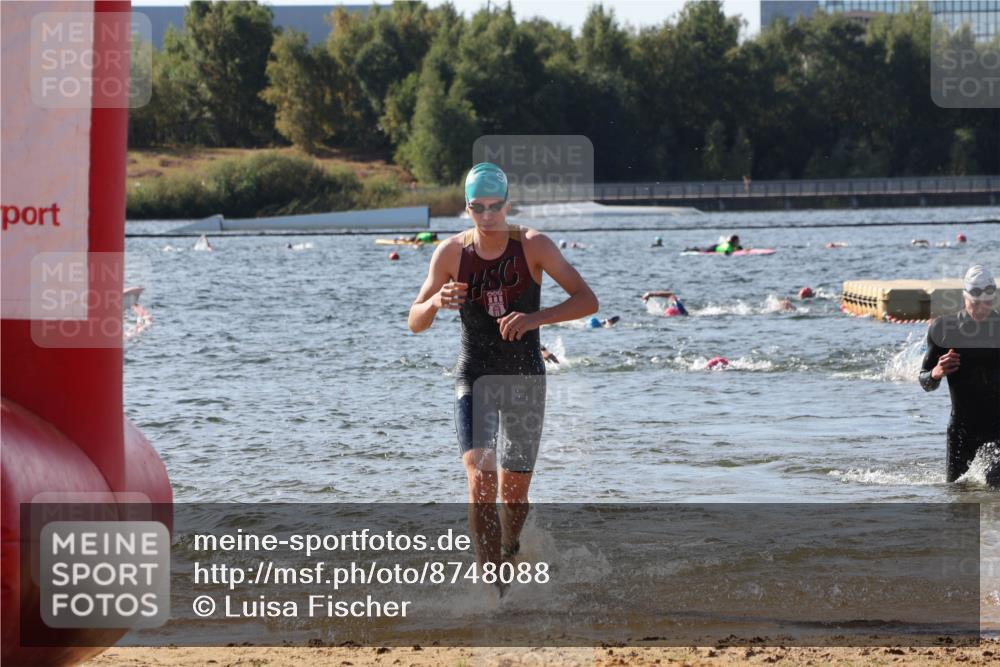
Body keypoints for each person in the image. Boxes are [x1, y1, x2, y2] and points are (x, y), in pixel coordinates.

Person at [408, 162, 598, 591]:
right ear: (468, 208)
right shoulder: (452, 253)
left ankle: (511, 548)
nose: (488, 216)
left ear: (508, 204)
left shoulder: (534, 245)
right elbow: (414, 321)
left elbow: (588, 300)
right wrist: (437, 299)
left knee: (514, 494)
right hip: (474, 374)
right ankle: (492, 591)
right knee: (480, 478)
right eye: (479, 207)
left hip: (525, 377)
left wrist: (535, 319)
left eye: (496, 206)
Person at [919, 265, 1000, 485]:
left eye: (988, 302)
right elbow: (925, 381)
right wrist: (937, 372)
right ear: (965, 297)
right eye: (976, 303)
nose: (983, 308)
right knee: (956, 494)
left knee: (996, 480)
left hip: (997, 427)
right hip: (962, 428)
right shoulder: (944, 329)